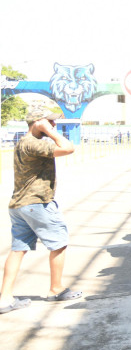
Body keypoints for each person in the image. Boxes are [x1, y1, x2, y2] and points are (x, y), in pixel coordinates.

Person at [0, 108, 80, 315]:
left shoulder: (22, 142)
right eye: (49, 122)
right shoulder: (34, 143)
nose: (53, 125)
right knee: (59, 242)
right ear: (37, 122)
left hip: (20, 204)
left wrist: (46, 127)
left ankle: (5, 298)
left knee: (18, 249)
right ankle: (56, 288)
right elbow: (69, 147)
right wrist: (48, 130)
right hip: (37, 203)